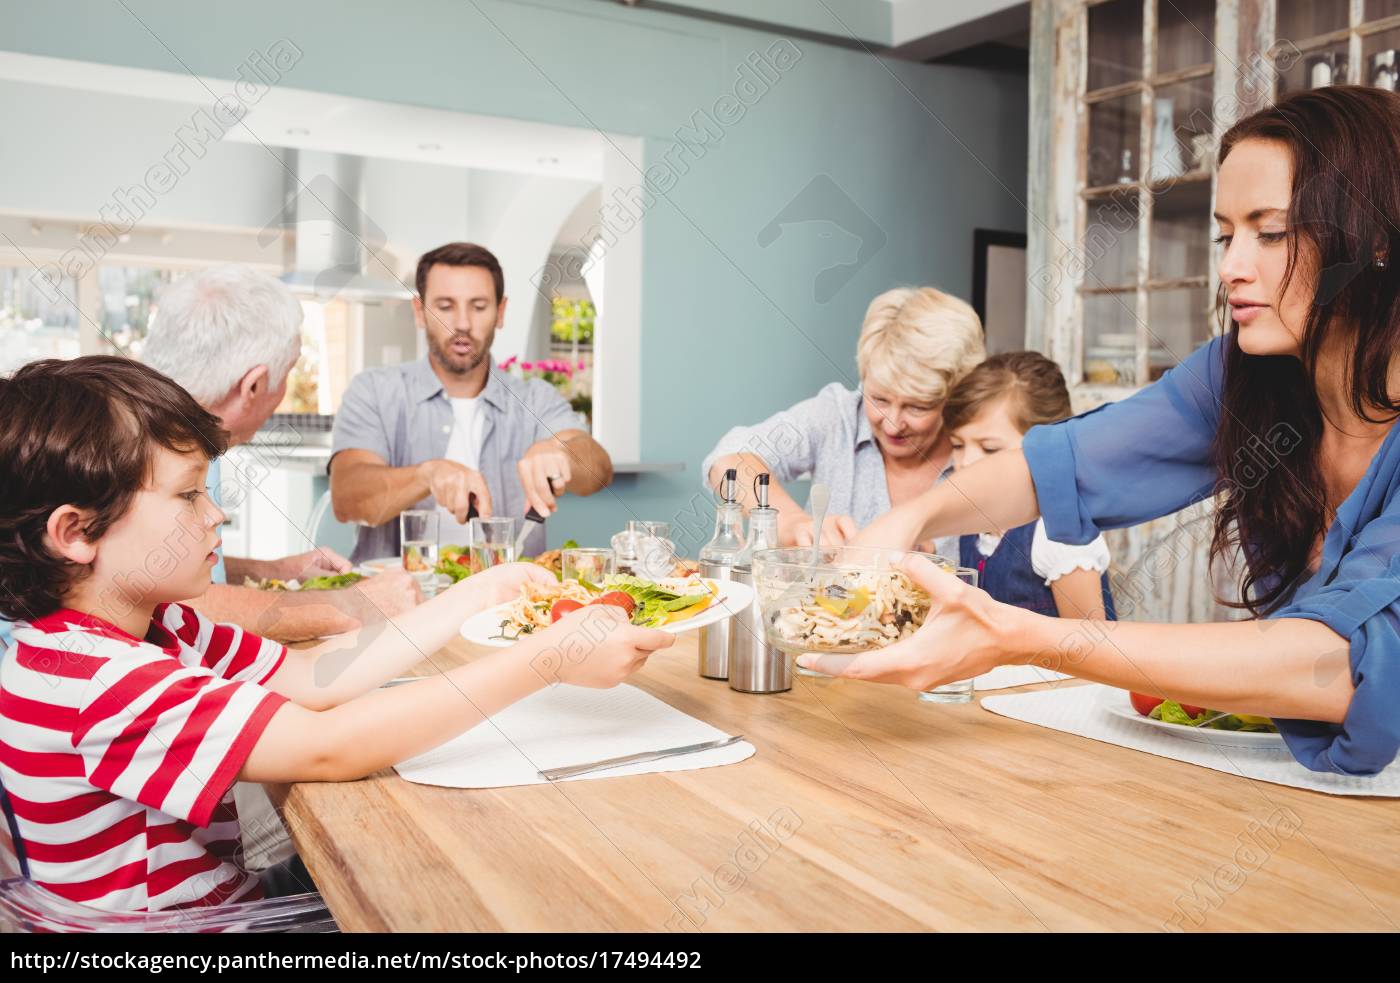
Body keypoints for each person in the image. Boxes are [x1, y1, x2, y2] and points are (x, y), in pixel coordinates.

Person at [827, 86, 1400, 777]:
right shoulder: (1242, 377)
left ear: (1371, 243)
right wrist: (910, 517)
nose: (1231, 267)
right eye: (1226, 234)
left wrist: (1023, 637)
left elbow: (1339, 665)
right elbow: (1061, 464)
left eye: (1269, 232)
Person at [0, 356, 672, 911]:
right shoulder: (99, 681)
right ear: (76, 532)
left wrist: (479, 594)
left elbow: (310, 677)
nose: (217, 513)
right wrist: (548, 656)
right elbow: (328, 746)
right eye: (188, 495)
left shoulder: (154, 625)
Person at [142, 265, 418, 642]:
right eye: (288, 372)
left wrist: (278, 570)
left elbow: (166, 573)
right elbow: (177, 610)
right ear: (253, 385)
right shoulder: (152, 457)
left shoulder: (181, 430)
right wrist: (350, 604)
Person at [329, 242, 612, 561]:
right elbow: (346, 499)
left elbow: (598, 471)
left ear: (500, 313)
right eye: (445, 306)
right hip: (398, 606)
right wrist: (427, 474)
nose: (461, 323)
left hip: (507, 606)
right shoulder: (374, 391)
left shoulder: (535, 398)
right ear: (420, 312)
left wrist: (561, 452)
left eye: (478, 306)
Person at [702, 286, 985, 558]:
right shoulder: (837, 415)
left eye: (917, 407)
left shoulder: (983, 450)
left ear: (955, 395)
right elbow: (727, 458)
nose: (892, 424)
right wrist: (791, 521)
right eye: (880, 399)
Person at [943, 352, 1116, 621]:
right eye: (957, 445)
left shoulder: (1057, 534)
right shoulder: (974, 522)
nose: (966, 462)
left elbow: (1091, 649)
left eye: (989, 448)